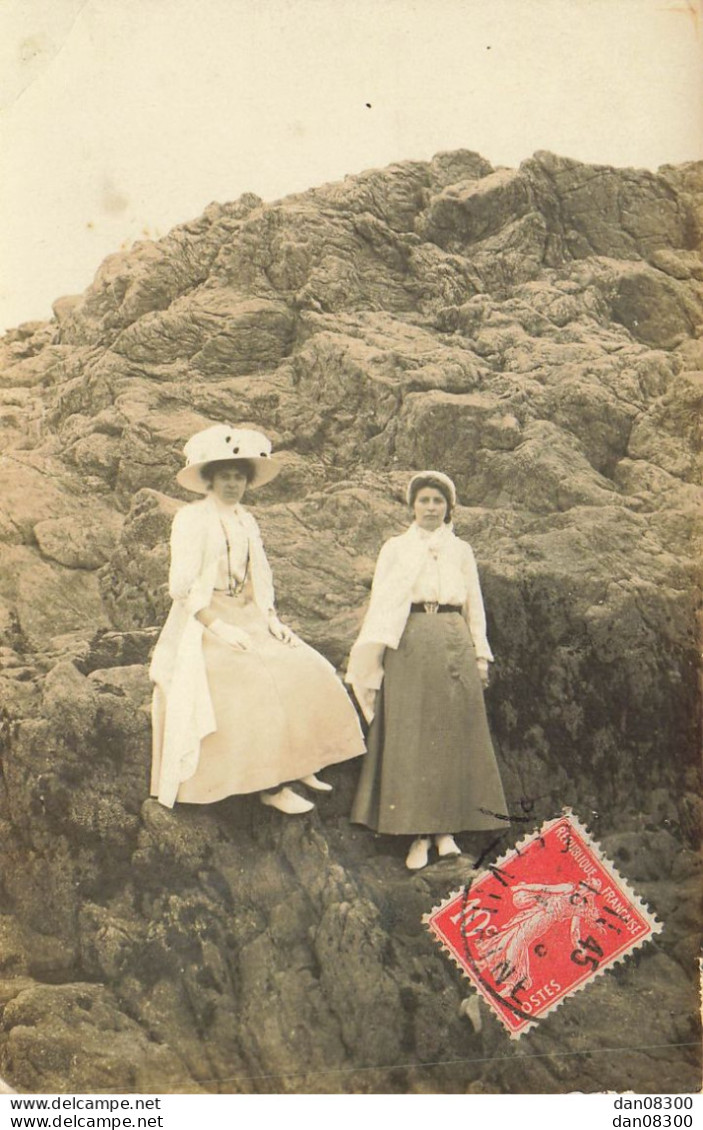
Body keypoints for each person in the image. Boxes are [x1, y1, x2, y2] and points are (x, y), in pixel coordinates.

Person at [149, 423, 365, 813]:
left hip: (246, 612)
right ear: (210, 480)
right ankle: (270, 784)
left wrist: (270, 618)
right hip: (199, 619)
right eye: (225, 476)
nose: (232, 484)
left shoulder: (246, 520)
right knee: (248, 678)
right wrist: (217, 625)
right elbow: (181, 588)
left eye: (239, 477)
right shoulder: (191, 518)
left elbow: (258, 576)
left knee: (305, 665)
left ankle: (300, 762)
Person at [346, 470, 509, 870]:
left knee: (451, 736)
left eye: (438, 501)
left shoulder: (461, 551)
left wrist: (480, 655)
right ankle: (417, 836)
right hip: (410, 642)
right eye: (424, 501)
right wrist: (378, 654)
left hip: (453, 640)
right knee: (413, 737)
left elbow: (475, 606)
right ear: (412, 506)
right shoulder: (395, 548)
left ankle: (446, 831)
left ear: (449, 508)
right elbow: (382, 601)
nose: (431, 508)